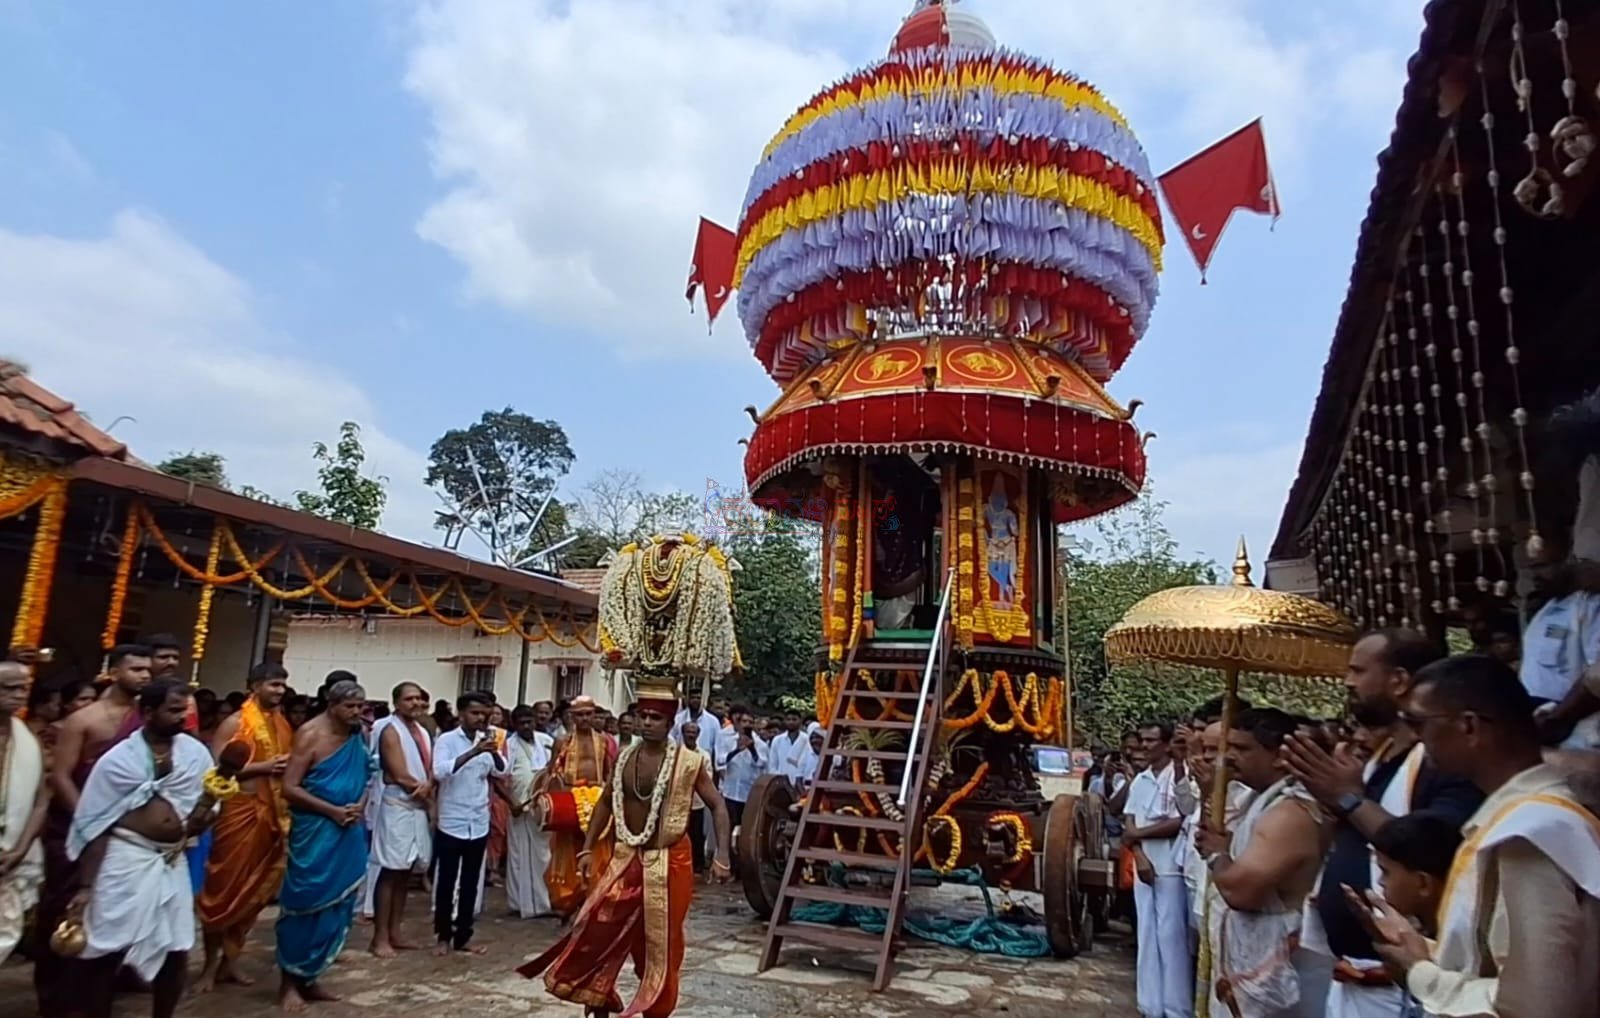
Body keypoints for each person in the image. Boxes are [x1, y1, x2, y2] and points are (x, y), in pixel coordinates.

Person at [1345, 654, 1600, 1017]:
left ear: (1469, 726)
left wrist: (1421, 975)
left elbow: (1537, 1004)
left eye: (1418, 723)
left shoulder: (1534, 831)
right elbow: (1496, 963)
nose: (1416, 738)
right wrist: (1421, 950)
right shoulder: (1514, 817)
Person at [1281, 629, 1480, 1018]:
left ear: (1399, 680)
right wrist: (1336, 803)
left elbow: (1428, 851)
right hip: (1351, 978)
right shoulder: (1379, 759)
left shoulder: (1442, 764)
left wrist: (1349, 798)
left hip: (1403, 985)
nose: (1348, 682)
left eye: (1358, 671)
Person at [518, 677, 733, 1017]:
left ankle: (656, 1009)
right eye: (642, 716)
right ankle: (598, 997)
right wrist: (587, 848)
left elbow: (718, 805)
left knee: (660, 942)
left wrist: (722, 856)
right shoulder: (625, 757)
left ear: (670, 722)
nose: (646, 723)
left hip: (670, 858)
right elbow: (606, 801)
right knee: (598, 925)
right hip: (625, 854)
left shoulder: (688, 763)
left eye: (655, 717)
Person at [66, 680, 216, 1018]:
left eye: (185, 710)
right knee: (106, 947)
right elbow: (95, 823)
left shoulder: (195, 754)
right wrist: (87, 887)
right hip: (125, 859)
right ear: (147, 712)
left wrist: (204, 814)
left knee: (175, 947)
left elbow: (205, 809)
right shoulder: (117, 760)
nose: (183, 718)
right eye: (174, 710)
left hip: (171, 860)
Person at [35, 643, 150, 1018]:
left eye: (147, 670)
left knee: (110, 915)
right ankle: (52, 1000)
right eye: (136, 669)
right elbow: (61, 776)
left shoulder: (147, 719)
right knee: (63, 911)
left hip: (126, 833)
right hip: (76, 828)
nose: (144, 676)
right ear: (113, 672)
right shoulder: (84, 719)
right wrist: (90, 822)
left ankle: (95, 997)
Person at [1194, 709, 1332, 1018]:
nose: (1229, 757)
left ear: (1280, 756)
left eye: (1242, 748)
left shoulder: (1290, 812)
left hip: (1280, 972)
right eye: (1229, 747)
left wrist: (1217, 854)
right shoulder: (1256, 800)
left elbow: (1241, 892)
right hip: (1250, 964)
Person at [194, 663, 293, 991]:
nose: (279, 691)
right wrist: (265, 766)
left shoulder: (281, 723)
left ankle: (230, 962)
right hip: (238, 813)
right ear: (254, 685)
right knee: (222, 890)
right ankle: (208, 967)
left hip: (271, 815)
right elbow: (218, 771)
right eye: (274, 684)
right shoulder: (236, 723)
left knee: (254, 894)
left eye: (283, 685)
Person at [275, 680, 371, 1012]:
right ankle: (289, 982)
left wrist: (359, 805)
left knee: (340, 903)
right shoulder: (310, 734)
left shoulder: (358, 735)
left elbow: (367, 776)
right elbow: (290, 787)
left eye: (360, 706)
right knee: (305, 901)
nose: (357, 712)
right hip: (316, 830)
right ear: (332, 705)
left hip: (349, 828)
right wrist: (332, 811)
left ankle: (312, 976)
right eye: (350, 706)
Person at [430, 690, 509, 955]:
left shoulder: (488, 739)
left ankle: (464, 935)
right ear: (461, 714)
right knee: (447, 880)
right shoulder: (447, 740)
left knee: (471, 881)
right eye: (475, 713)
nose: (480, 719)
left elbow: (502, 770)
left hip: (478, 819)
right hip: (452, 819)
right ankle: (443, 935)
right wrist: (474, 751)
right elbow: (440, 772)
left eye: (484, 714)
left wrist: (492, 751)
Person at [1123, 721, 1193, 1018]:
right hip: (1144, 863)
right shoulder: (1140, 780)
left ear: (1166, 744)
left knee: (1171, 937)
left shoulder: (1179, 776)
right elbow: (1129, 820)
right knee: (1147, 934)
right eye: (1143, 740)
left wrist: (1137, 835)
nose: (1145, 746)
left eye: (1151, 740)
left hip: (1170, 866)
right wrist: (1138, 854)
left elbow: (1178, 821)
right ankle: (1150, 1005)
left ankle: (1176, 1009)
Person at [1365, 815, 1462, 1018]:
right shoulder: (1421, 929)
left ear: (1423, 883)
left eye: (1386, 872)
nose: (1380, 882)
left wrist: (1417, 968)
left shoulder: (1458, 946)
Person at [368, 681, 434, 957]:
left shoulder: (422, 731)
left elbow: (428, 768)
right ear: (396, 703)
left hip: (417, 806)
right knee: (390, 871)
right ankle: (379, 937)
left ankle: (396, 931)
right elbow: (397, 773)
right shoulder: (389, 730)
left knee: (405, 872)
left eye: (418, 698)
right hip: (398, 806)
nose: (415, 703)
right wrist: (425, 792)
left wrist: (429, 786)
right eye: (409, 699)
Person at [542, 694, 617, 916]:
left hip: (597, 801)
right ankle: (570, 901)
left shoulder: (603, 742)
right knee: (568, 850)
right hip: (571, 801)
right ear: (572, 717)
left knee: (597, 849)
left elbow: (608, 773)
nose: (585, 718)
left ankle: (594, 898)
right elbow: (552, 773)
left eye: (588, 714)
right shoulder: (563, 742)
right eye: (580, 715)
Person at [0, 661, 47, 963]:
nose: (19, 695)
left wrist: (19, 850)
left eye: (24, 689)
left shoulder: (29, 741)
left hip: (11, 854)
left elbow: (41, 801)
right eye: (10, 688)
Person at [505, 704, 554, 919]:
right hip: (519, 806)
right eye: (521, 723)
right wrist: (511, 803)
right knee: (519, 855)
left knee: (543, 855)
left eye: (529, 722)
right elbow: (499, 777)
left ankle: (542, 902)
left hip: (544, 806)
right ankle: (521, 903)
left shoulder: (546, 741)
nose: (526, 726)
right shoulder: (508, 746)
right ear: (514, 725)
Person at [718, 706, 766, 837]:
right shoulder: (728, 740)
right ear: (738, 723)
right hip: (730, 792)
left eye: (750, 722)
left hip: (748, 794)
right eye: (744, 721)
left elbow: (762, 764)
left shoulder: (761, 744)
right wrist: (737, 750)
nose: (747, 725)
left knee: (745, 830)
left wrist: (752, 749)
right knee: (727, 828)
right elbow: (720, 761)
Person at [680, 722, 712, 874]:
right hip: (678, 803)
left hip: (697, 802)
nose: (691, 735)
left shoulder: (704, 755)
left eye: (693, 732)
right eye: (688, 732)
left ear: (698, 735)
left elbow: (708, 777)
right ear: (683, 733)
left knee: (696, 835)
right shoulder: (676, 753)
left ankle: (697, 866)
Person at [768, 710, 811, 788]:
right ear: (785, 721)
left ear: (800, 721)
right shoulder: (777, 740)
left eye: (794, 719)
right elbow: (772, 765)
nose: (791, 722)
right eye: (788, 719)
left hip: (801, 784)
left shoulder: (807, 739)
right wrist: (779, 780)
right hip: (781, 784)